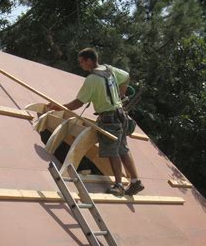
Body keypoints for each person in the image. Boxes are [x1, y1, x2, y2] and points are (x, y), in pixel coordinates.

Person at [46, 47, 144, 196]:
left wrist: (59, 107)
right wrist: (120, 96)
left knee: (113, 152)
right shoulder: (108, 69)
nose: (81, 65)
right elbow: (125, 76)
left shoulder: (92, 79)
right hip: (120, 115)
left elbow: (78, 103)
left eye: (81, 62)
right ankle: (136, 182)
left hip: (109, 118)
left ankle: (118, 186)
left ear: (89, 60)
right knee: (123, 149)